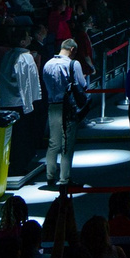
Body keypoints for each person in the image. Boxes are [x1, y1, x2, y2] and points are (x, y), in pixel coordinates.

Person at [41, 38, 89, 187]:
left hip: (52, 105)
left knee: (53, 143)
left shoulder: (47, 64)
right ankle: (64, 179)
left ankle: (49, 176)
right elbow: (83, 85)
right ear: (72, 50)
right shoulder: (73, 64)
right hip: (68, 107)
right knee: (67, 144)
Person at [6, 32, 45, 188]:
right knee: (22, 136)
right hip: (22, 103)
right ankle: (20, 165)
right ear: (22, 42)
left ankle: (14, 164)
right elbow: (29, 82)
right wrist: (32, 103)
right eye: (27, 36)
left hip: (8, 101)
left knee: (14, 136)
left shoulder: (8, 55)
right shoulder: (25, 57)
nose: (30, 38)